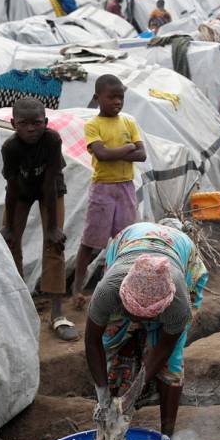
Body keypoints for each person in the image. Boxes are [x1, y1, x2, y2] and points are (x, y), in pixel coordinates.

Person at [86, 221, 208, 438]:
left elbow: (165, 348)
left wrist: (135, 391)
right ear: (122, 295)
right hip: (129, 240)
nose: (138, 319)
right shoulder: (107, 290)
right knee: (112, 341)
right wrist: (103, 397)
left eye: (148, 315)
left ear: (164, 304)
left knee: (172, 365)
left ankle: (166, 439)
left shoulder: (179, 304)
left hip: (180, 251)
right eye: (133, 313)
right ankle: (110, 424)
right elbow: (93, 342)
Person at [0, 97, 77, 342]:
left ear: (46, 121)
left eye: (37, 122)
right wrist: (9, 226)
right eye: (24, 123)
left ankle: (56, 314)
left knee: (55, 244)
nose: (31, 128)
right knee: (10, 245)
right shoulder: (10, 148)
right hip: (20, 193)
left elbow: (50, 181)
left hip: (51, 191)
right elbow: (11, 187)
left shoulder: (51, 140)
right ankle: (19, 308)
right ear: (14, 123)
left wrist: (53, 227)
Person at [73, 75, 146, 308]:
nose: (117, 102)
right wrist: (127, 148)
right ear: (97, 98)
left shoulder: (128, 122)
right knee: (91, 240)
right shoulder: (93, 125)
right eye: (111, 97)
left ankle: (122, 286)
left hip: (125, 186)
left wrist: (116, 152)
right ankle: (77, 289)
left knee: (124, 239)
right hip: (103, 188)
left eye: (120, 97)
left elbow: (142, 154)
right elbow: (101, 155)